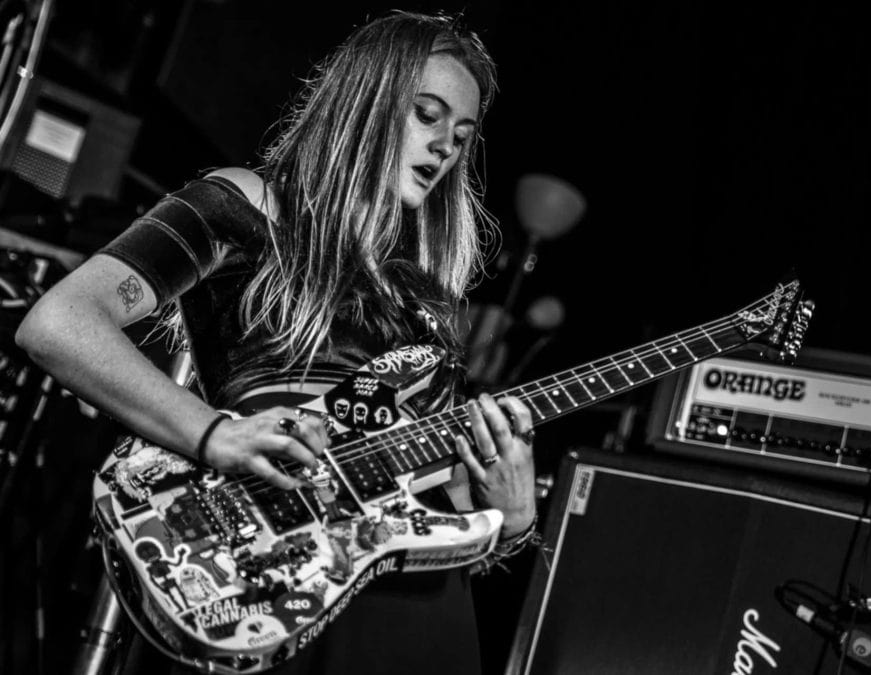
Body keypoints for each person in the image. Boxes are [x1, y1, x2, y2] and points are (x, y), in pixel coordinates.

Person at [15, 11, 535, 674]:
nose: (445, 147)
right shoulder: (248, 205)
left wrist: (508, 518)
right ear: (365, 101)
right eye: (427, 114)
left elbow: (442, 507)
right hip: (280, 576)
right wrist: (212, 432)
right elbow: (59, 322)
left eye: (461, 135)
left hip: (423, 612)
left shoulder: (425, 301)